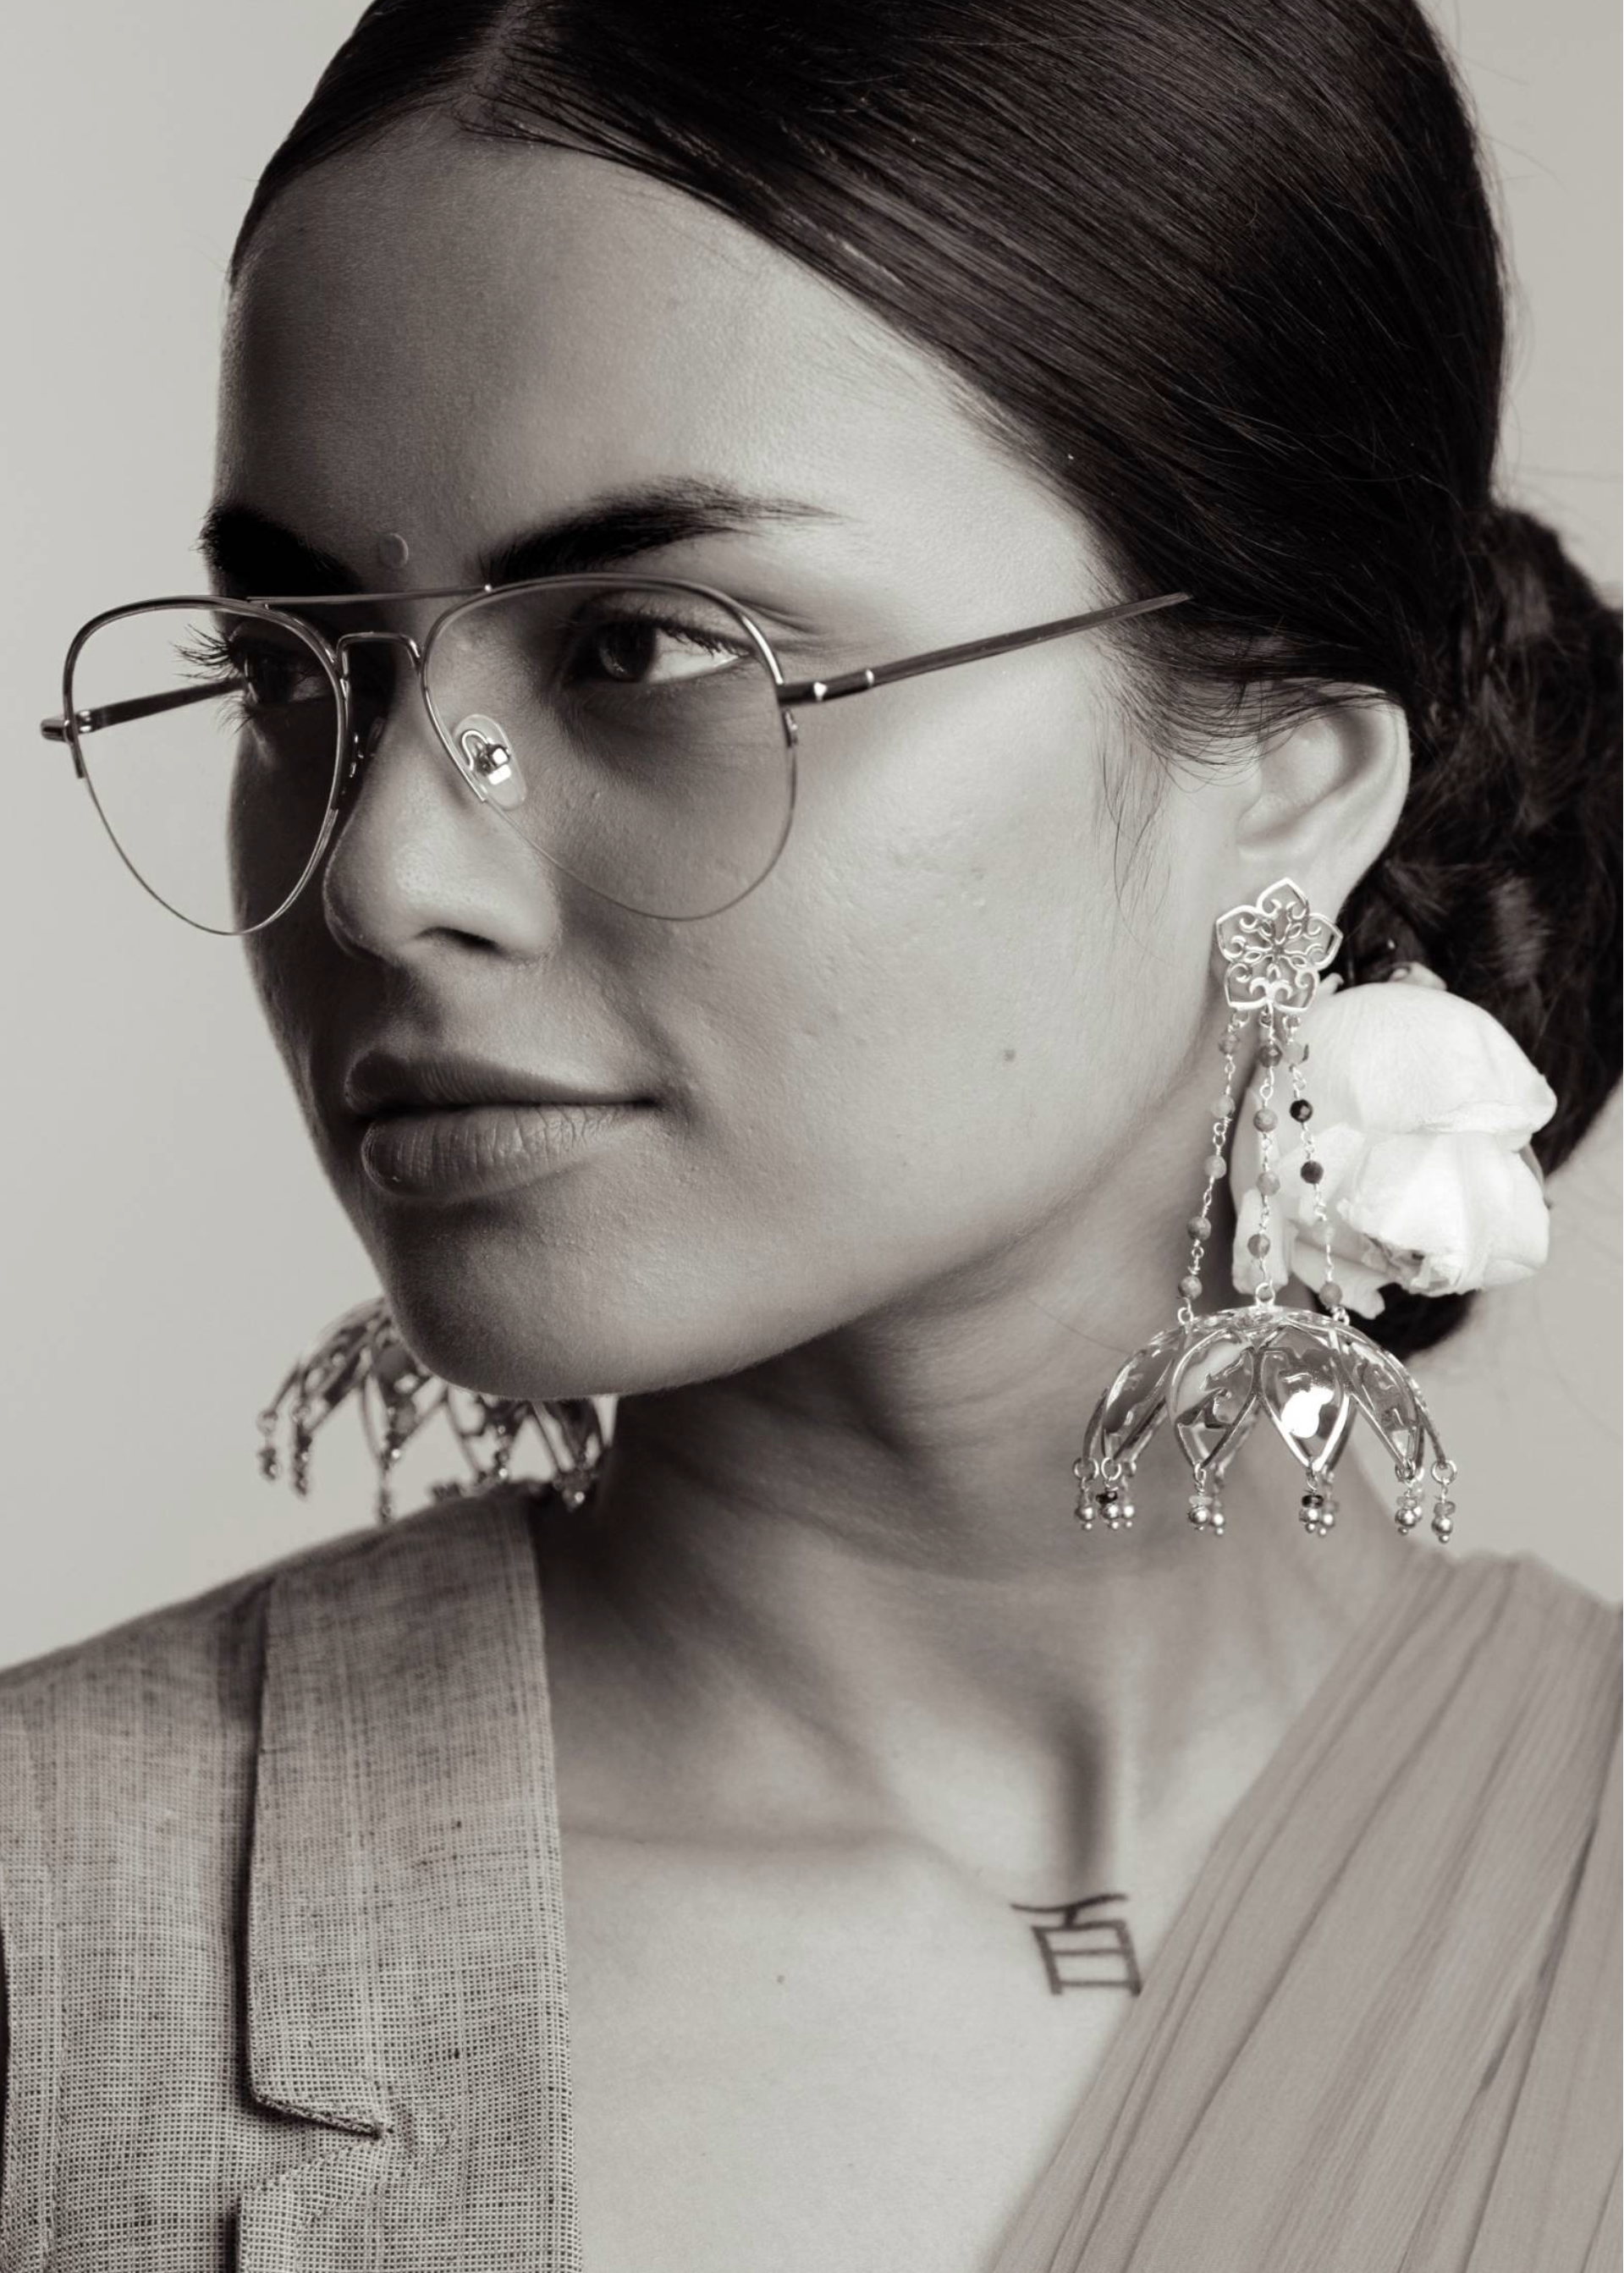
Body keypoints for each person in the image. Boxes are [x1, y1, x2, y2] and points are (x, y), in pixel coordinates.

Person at [3, 2, 1620, 2266]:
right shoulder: (59, 1954)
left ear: (1277, 773)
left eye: (641, 651)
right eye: (296, 667)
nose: (378, 872)